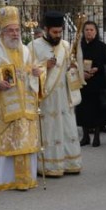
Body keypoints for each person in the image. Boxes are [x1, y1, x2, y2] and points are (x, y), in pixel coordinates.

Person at [0, 6, 43, 191]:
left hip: (26, 109)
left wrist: (37, 73)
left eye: (17, 30)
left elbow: (35, 72)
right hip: (5, 109)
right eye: (10, 30)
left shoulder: (27, 52)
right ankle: (4, 180)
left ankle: (25, 180)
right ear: (3, 33)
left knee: (25, 144)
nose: (15, 34)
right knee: (7, 146)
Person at [28, 11, 83, 177]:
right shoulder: (33, 46)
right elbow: (29, 70)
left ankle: (70, 162)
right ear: (46, 29)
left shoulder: (65, 46)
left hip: (64, 96)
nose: (58, 35)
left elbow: (71, 66)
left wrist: (74, 68)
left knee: (66, 128)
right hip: (46, 97)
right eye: (54, 32)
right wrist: (46, 66)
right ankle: (50, 166)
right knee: (50, 129)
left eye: (60, 32)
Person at [76, 21, 106, 148]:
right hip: (83, 83)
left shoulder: (102, 47)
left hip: (97, 83)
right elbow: (72, 62)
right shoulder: (79, 46)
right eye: (87, 30)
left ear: (96, 32)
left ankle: (96, 136)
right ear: (83, 32)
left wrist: (97, 69)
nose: (89, 32)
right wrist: (81, 72)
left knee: (97, 110)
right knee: (83, 110)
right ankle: (85, 136)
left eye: (92, 30)